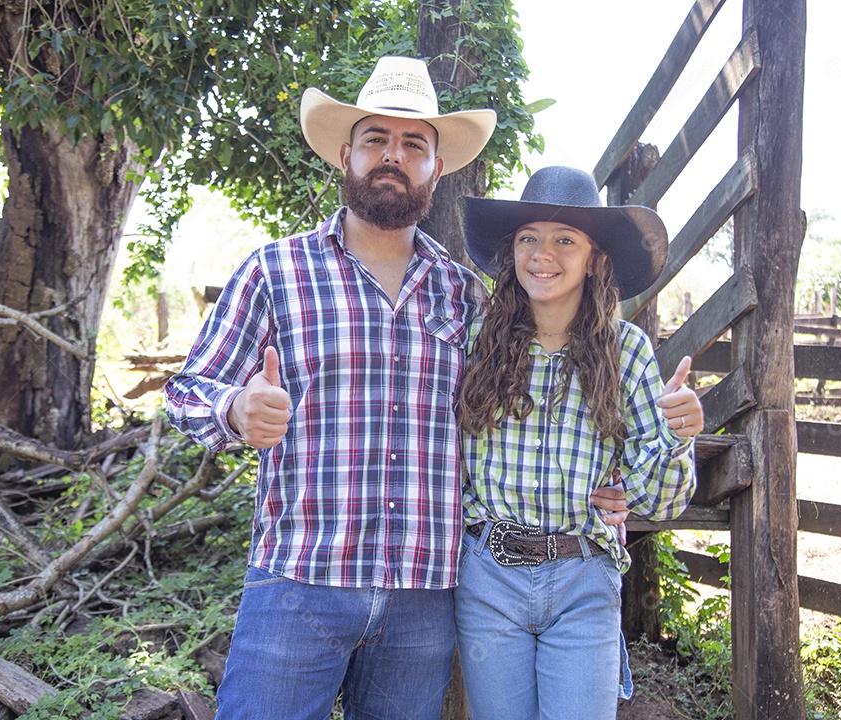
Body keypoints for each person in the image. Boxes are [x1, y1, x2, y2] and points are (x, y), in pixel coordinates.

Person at [163, 56, 500, 720]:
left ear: (437, 168)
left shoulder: (466, 295)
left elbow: (512, 423)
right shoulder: (274, 270)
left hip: (423, 595)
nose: (392, 156)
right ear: (346, 153)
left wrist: (615, 463)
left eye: (413, 145)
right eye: (376, 139)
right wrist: (234, 408)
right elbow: (188, 390)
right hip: (298, 583)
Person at [453, 165, 703, 720]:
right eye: (528, 238)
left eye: (565, 239)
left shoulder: (627, 353)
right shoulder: (473, 345)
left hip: (583, 579)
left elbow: (658, 502)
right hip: (488, 576)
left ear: (596, 258)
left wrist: (678, 436)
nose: (543, 254)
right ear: (511, 253)